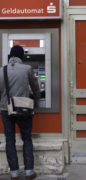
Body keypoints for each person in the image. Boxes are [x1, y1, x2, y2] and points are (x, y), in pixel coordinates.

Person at [0, 45, 40, 180]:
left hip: (6, 109)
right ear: (21, 56)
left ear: (10, 56)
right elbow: (35, 87)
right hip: (24, 108)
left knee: (9, 140)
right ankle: (29, 172)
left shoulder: (2, 70)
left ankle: (14, 173)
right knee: (27, 138)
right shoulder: (27, 69)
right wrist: (37, 100)